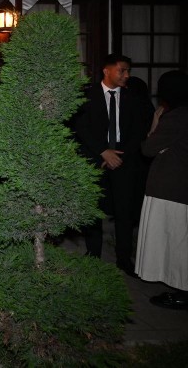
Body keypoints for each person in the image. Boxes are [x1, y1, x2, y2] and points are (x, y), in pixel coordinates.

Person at [74, 53, 152, 276]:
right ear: (106, 71)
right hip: (95, 157)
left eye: (128, 71)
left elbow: (139, 131)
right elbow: (81, 128)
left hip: (124, 159)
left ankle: (124, 258)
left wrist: (119, 156)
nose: (126, 75)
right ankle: (93, 255)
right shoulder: (87, 95)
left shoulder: (132, 97)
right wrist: (103, 152)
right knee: (93, 209)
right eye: (122, 70)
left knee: (124, 210)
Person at [135, 70, 188, 310]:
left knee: (176, 240)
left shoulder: (177, 117)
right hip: (178, 188)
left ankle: (182, 291)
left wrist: (155, 124)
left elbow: (148, 148)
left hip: (172, 188)